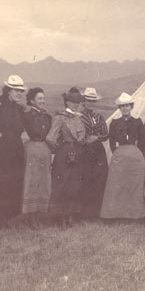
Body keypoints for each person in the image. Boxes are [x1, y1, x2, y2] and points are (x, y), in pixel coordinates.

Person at [100, 92, 145, 220]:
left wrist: (136, 152)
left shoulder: (137, 122)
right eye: (122, 106)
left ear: (131, 107)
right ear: (119, 108)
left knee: (133, 185)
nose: (125, 108)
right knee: (117, 185)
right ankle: (116, 214)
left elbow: (142, 140)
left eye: (127, 106)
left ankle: (134, 214)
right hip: (119, 156)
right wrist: (116, 152)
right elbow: (111, 140)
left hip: (134, 157)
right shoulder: (115, 123)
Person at [46, 87, 86, 228]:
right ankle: (61, 218)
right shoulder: (60, 118)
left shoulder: (78, 118)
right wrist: (61, 148)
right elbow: (50, 138)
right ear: (67, 102)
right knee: (63, 184)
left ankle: (70, 216)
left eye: (78, 101)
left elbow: (81, 137)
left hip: (77, 152)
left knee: (74, 185)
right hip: (64, 154)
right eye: (72, 101)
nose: (75, 104)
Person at [0, 75, 26, 229]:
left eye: (21, 91)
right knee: (3, 181)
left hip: (17, 147)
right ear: (8, 91)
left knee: (14, 181)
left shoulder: (20, 109)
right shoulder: (0, 109)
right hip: (5, 147)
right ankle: (1, 218)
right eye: (16, 90)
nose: (19, 94)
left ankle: (7, 216)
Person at [22, 87, 52, 229]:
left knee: (43, 181)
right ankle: (30, 216)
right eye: (39, 98)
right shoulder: (27, 116)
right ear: (32, 100)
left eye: (43, 98)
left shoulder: (47, 116)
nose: (42, 101)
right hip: (32, 149)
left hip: (44, 150)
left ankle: (38, 214)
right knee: (32, 180)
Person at [80, 87, 109, 220]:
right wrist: (86, 138)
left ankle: (97, 212)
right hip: (84, 150)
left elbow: (105, 134)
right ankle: (85, 213)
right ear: (84, 101)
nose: (91, 103)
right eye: (88, 100)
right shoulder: (79, 116)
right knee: (86, 180)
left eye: (93, 101)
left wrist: (96, 137)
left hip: (98, 151)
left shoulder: (99, 116)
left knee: (99, 179)